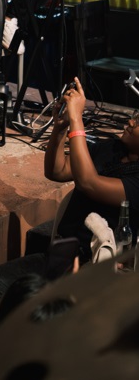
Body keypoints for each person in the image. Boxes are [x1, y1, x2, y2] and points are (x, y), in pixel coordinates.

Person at [44, 76, 139, 262]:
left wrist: (76, 119)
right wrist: (61, 128)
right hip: (64, 254)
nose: (130, 122)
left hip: (97, 268)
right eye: (134, 117)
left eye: (138, 123)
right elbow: (57, 171)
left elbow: (89, 183)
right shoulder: (112, 147)